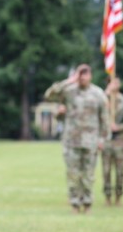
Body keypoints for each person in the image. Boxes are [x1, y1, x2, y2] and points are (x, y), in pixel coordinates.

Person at [44, 64, 110, 214]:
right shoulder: (68, 91)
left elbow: (104, 119)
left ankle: (87, 203)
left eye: (85, 74)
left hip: (91, 141)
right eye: (80, 74)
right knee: (73, 174)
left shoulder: (98, 94)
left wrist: (103, 139)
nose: (83, 77)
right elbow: (49, 95)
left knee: (88, 175)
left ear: (90, 76)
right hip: (71, 140)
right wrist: (68, 81)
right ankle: (74, 203)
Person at [101, 77, 123, 206]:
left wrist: (119, 127)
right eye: (113, 82)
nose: (115, 85)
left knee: (120, 170)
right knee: (106, 170)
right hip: (106, 138)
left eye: (117, 82)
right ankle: (107, 196)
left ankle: (118, 196)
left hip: (120, 140)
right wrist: (106, 94)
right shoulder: (102, 99)